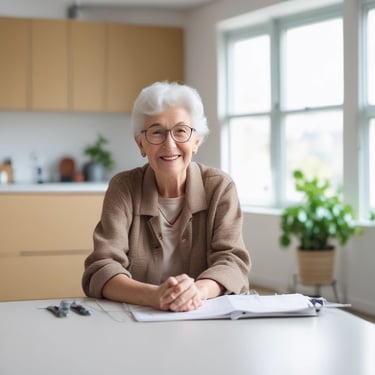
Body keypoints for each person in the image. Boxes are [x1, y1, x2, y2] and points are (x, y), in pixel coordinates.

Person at [82, 81, 251, 312]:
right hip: (136, 322)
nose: (169, 144)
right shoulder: (123, 187)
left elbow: (232, 262)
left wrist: (197, 292)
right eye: (157, 132)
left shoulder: (220, 187)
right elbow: (102, 267)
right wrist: (154, 296)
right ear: (140, 143)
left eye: (181, 131)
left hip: (206, 318)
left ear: (196, 141)